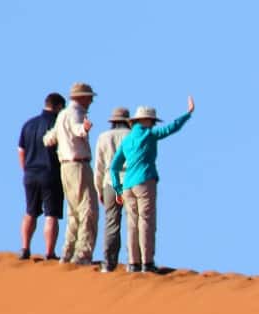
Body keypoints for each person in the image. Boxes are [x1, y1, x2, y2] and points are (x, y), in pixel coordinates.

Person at [108, 96, 195, 274]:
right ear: (146, 120)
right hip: (144, 181)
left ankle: (133, 263)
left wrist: (117, 188)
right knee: (146, 221)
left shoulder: (127, 140)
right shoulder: (149, 135)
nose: (154, 125)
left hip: (128, 186)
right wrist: (188, 114)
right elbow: (172, 128)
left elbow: (114, 167)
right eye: (152, 121)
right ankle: (147, 262)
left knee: (132, 223)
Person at [43, 82, 100, 266]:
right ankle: (82, 254)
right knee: (88, 209)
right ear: (81, 97)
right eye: (89, 96)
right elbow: (78, 129)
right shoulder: (77, 113)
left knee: (74, 212)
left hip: (65, 167)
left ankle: (68, 252)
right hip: (78, 165)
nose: (91, 100)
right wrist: (84, 129)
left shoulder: (62, 115)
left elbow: (48, 139)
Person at [17, 93, 66, 261]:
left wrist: (26, 170)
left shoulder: (28, 125)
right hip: (50, 173)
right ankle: (50, 252)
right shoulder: (57, 125)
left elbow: (21, 151)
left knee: (30, 212)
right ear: (59, 106)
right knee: (51, 214)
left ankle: (25, 248)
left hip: (30, 174)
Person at [92, 106, 132, 273]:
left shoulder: (103, 137)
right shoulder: (132, 135)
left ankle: (109, 263)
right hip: (131, 182)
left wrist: (99, 189)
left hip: (109, 183)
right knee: (134, 223)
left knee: (111, 223)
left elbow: (99, 166)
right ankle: (133, 262)